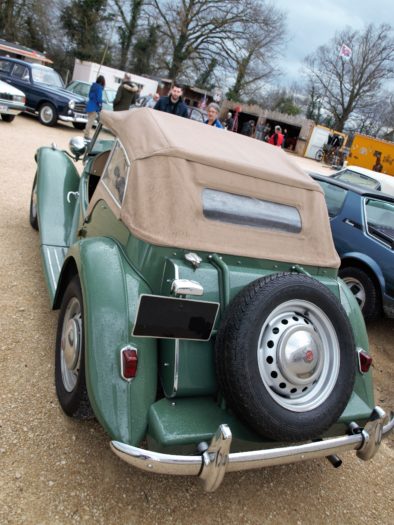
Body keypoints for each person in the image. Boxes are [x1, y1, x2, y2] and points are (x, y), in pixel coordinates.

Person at [84, 75, 105, 140]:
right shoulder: (99, 88)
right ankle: (86, 135)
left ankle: (86, 134)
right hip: (94, 107)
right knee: (90, 122)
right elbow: (99, 99)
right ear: (102, 82)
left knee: (89, 121)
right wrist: (101, 103)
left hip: (89, 105)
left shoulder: (93, 86)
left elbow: (90, 95)